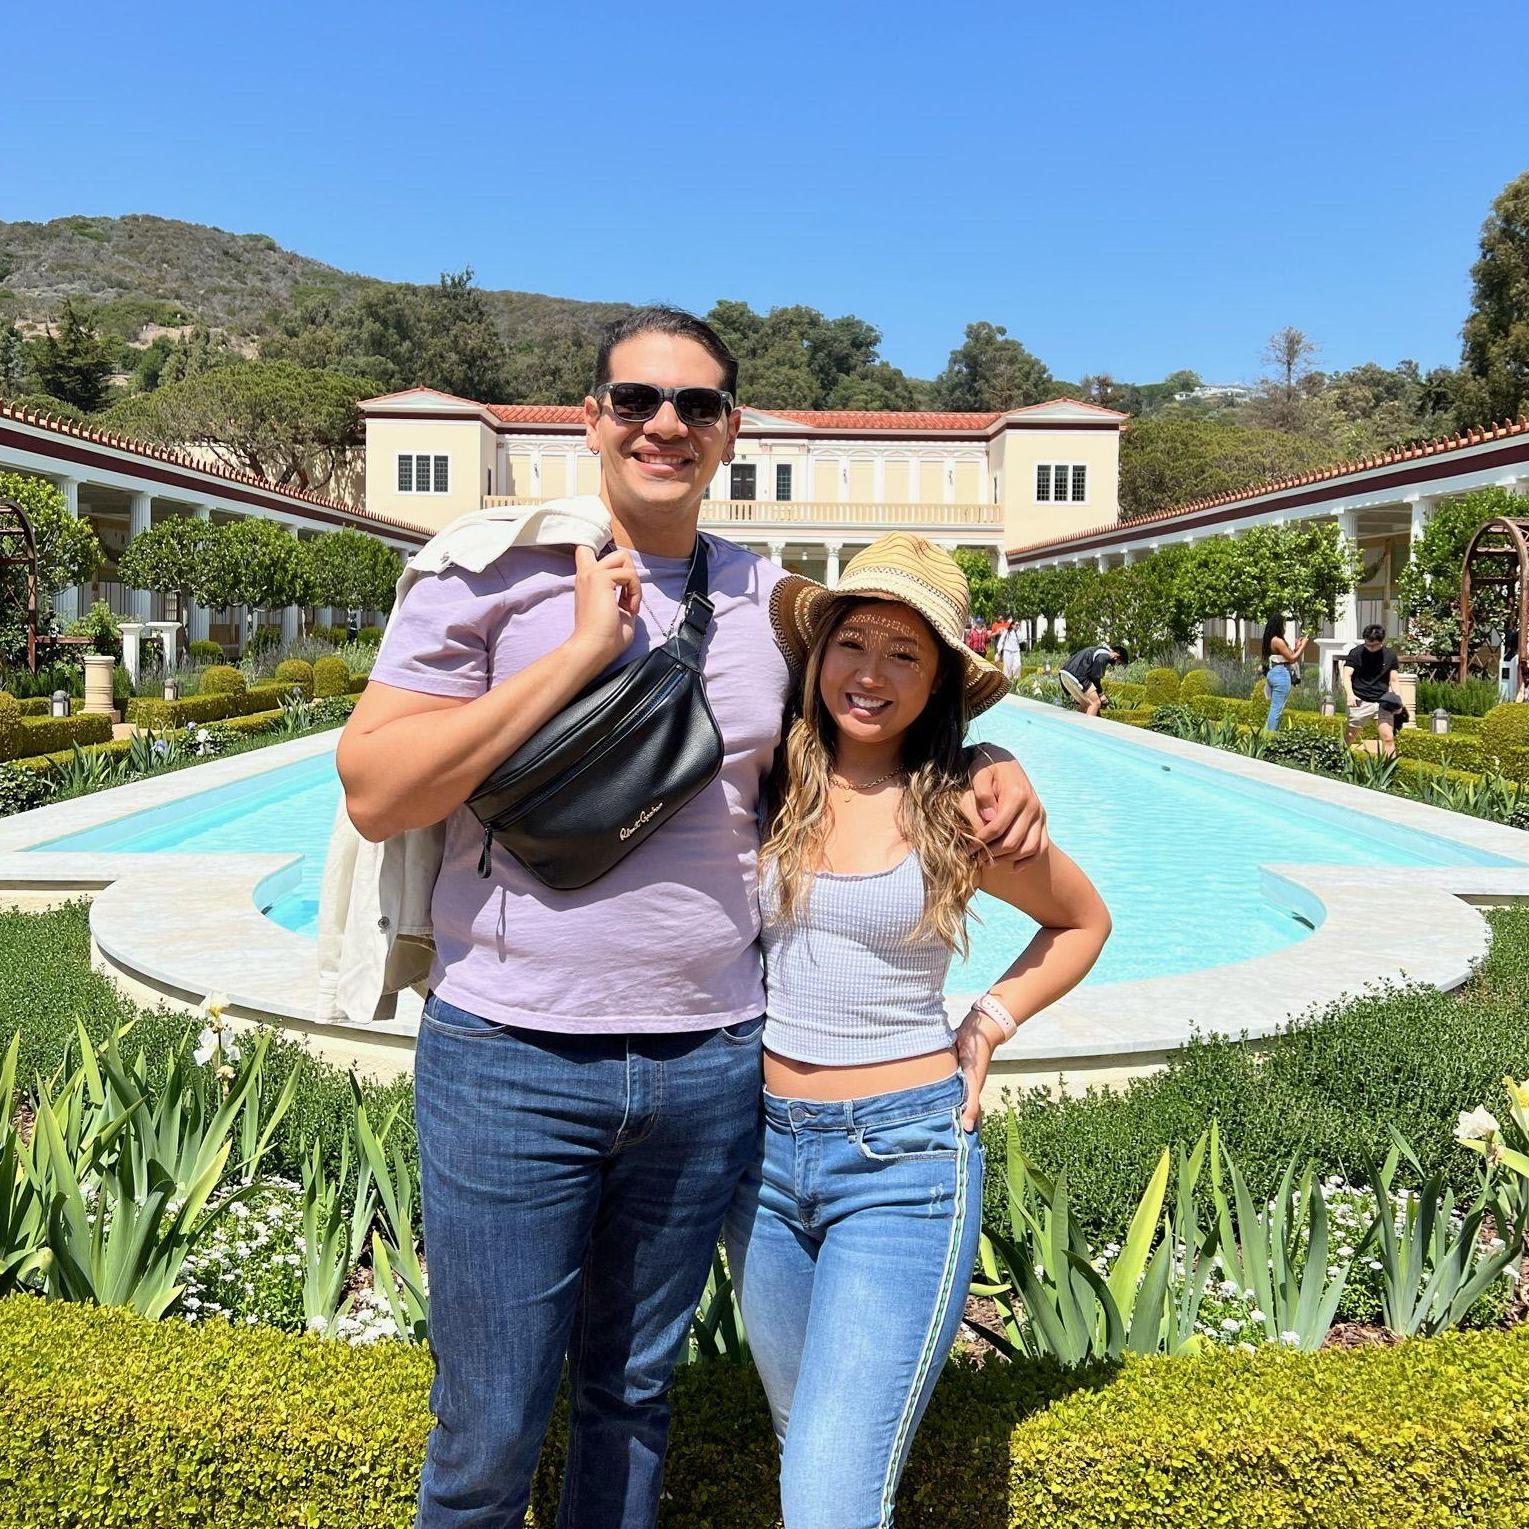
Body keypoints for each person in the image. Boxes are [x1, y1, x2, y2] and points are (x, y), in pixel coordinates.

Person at [336, 306, 1048, 1529]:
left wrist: (987, 757)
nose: (663, 424)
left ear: (729, 434)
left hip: (707, 1064)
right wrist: (578, 653)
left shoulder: (774, 605)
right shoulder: (486, 572)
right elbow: (374, 791)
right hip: (509, 1055)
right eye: (635, 399)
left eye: (696, 405)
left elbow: (879, 704)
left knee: (630, 1399)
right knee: (488, 1425)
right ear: (590, 418)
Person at [728, 535, 1111, 1527]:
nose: (870, 673)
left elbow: (1081, 922)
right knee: (810, 1455)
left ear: (939, 677)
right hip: (758, 1160)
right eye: (852, 643)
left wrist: (987, 1022)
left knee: (828, 1496)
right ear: (816, 656)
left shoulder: (960, 804)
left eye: (905, 653)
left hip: (899, 1163)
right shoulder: (768, 777)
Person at [1342, 623, 1406, 756]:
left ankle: (1390, 767)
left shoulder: (1390, 655)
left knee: (1388, 737)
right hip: (1360, 700)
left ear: (1381, 642)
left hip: (1382, 701)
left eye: (1374, 645)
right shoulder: (1356, 653)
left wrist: (1398, 701)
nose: (1371, 648)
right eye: (1368, 644)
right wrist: (1350, 695)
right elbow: (1347, 675)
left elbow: (1394, 680)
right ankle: (1338, 758)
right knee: (1350, 735)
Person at [1260, 614, 1309, 733]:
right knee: (1276, 709)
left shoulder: (1272, 640)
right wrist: (1303, 646)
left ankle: (1268, 733)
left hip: (1275, 671)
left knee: (1275, 708)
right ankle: (1270, 735)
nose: (1285, 627)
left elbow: (1288, 656)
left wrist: (1297, 648)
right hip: (1281, 674)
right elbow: (1292, 659)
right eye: (1284, 624)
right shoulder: (1277, 641)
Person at [1058, 640, 1129, 716]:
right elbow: (1095, 676)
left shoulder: (1098, 650)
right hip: (1077, 675)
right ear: (1117, 655)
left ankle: (1078, 723)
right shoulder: (1105, 655)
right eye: (1119, 662)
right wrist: (1101, 694)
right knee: (1095, 703)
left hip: (1064, 674)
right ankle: (1087, 724)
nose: (1115, 664)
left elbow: (1091, 675)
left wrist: (1098, 693)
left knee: (1086, 704)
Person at [995, 617, 1025, 683]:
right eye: (1016, 625)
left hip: (1016, 651)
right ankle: (1007, 683)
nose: (1018, 626)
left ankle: (1016, 682)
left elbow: (1021, 640)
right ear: (1012, 625)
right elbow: (1001, 641)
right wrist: (999, 651)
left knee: (1018, 665)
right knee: (1007, 668)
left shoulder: (1018, 632)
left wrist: (1017, 632)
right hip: (1007, 651)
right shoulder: (1006, 632)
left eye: (1019, 625)